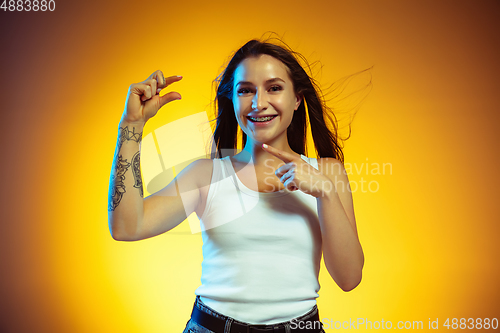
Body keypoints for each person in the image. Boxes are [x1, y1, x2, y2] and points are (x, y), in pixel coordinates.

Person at [108, 38, 364, 333]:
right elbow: (127, 227)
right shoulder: (205, 176)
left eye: (274, 88)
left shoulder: (328, 174)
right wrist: (131, 125)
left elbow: (349, 279)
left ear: (297, 99)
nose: (259, 103)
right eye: (246, 91)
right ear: (232, 100)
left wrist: (325, 192)